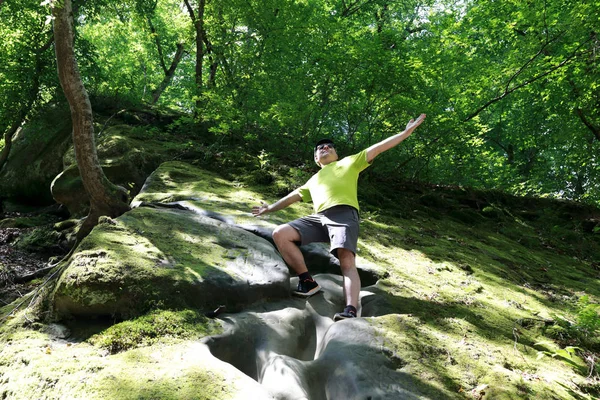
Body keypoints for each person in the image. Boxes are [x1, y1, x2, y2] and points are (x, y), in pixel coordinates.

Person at [253, 114, 426, 321]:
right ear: (316, 159)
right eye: (320, 148)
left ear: (335, 154)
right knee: (280, 233)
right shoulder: (313, 179)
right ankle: (307, 282)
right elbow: (292, 197)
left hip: (344, 214)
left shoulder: (349, 162)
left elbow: (379, 147)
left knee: (346, 261)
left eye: (329, 147)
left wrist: (405, 133)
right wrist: (269, 208)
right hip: (318, 218)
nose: (324, 148)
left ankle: (351, 310)